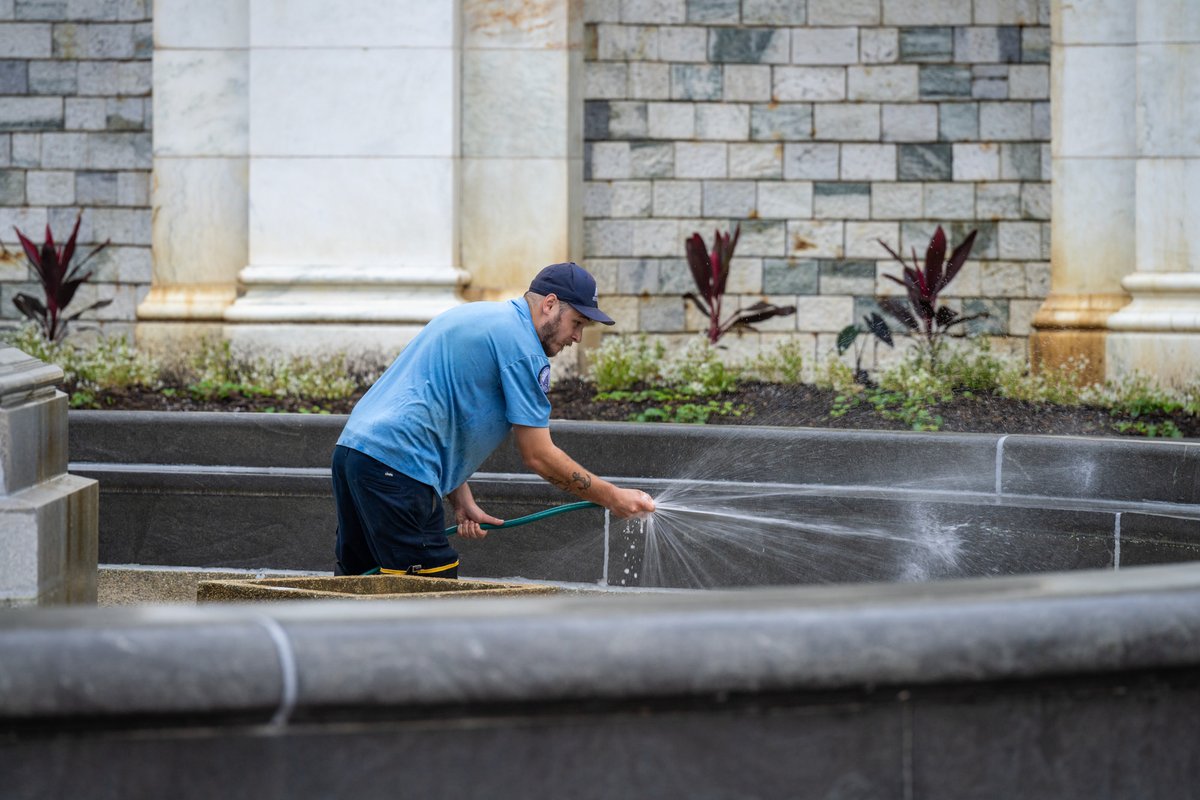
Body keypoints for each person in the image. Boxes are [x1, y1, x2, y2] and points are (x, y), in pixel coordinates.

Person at [332, 262, 656, 578]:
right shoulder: (523, 349)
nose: (578, 337)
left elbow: (436, 404)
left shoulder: (480, 317)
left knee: (356, 586)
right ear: (550, 304)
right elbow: (538, 454)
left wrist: (459, 496)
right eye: (577, 322)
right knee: (429, 592)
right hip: (397, 467)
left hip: (354, 453)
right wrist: (613, 498)